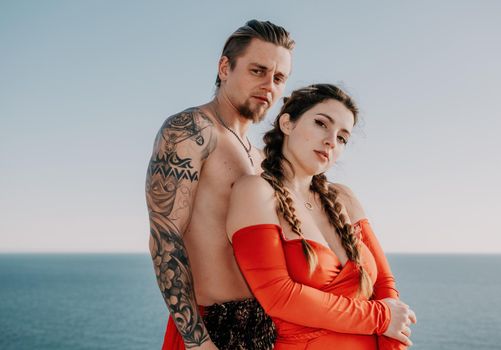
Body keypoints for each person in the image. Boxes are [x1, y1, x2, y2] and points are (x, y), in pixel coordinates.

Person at [226, 84, 417, 349]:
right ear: (287, 123)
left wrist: (392, 343)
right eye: (321, 124)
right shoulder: (256, 191)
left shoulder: (345, 199)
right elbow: (278, 296)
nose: (331, 140)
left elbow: (384, 285)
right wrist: (380, 318)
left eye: (342, 138)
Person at [145, 20, 294, 350]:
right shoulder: (192, 131)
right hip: (207, 330)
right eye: (258, 71)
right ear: (225, 67)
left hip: (262, 330)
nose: (269, 85)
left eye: (279, 77)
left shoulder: (260, 157)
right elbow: (165, 236)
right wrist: (198, 342)